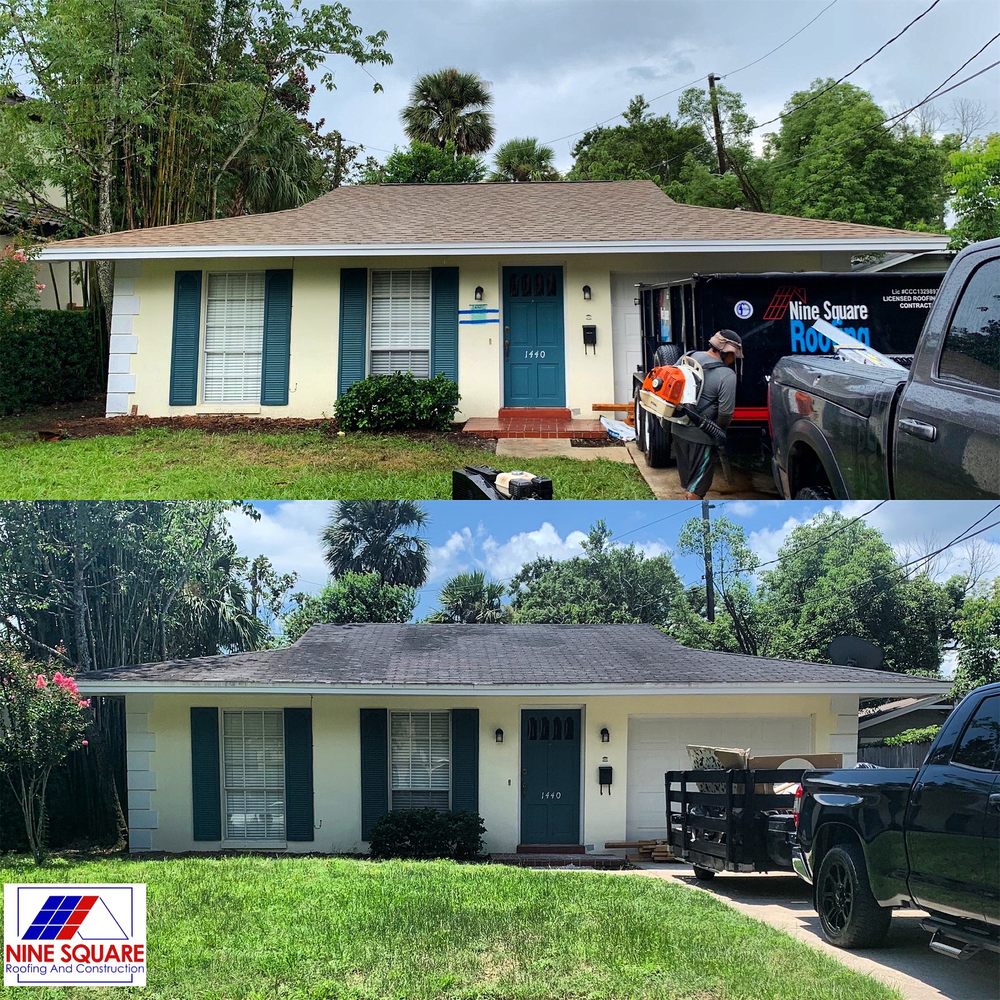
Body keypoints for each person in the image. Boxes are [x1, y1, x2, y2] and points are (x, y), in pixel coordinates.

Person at [671, 330, 742, 500]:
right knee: (697, 490)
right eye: (734, 355)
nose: (735, 359)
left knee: (689, 483)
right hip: (702, 437)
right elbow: (725, 413)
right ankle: (694, 521)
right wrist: (718, 432)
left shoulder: (687, 357)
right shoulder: (727, 375)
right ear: (727, 351)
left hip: (677, 429)